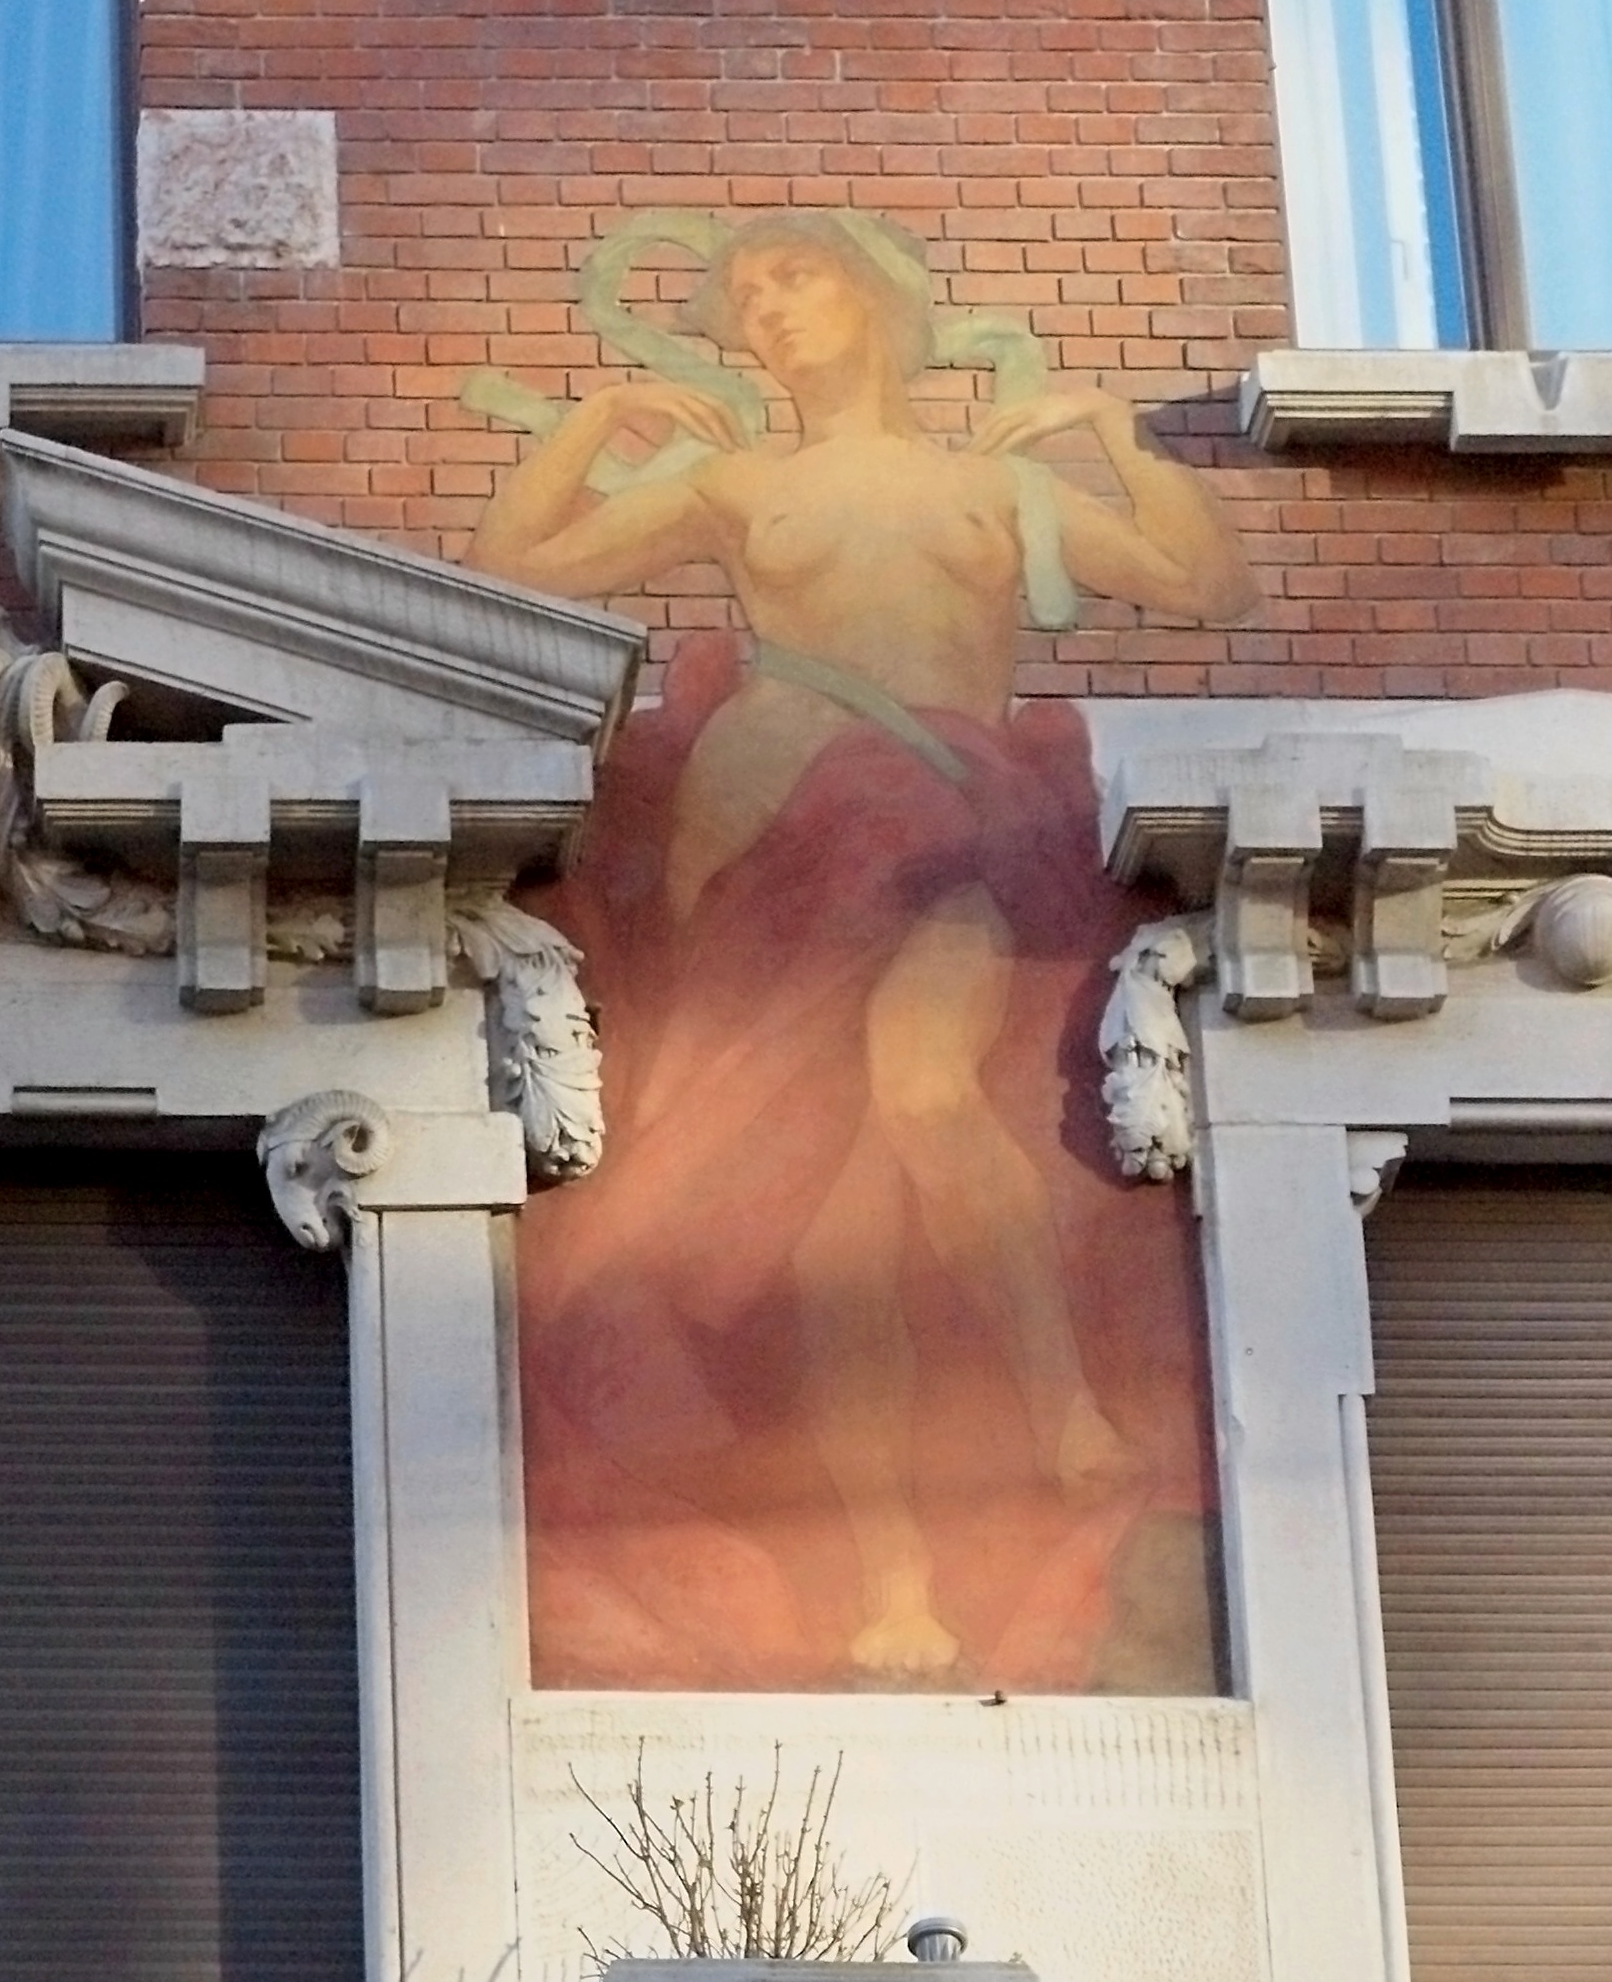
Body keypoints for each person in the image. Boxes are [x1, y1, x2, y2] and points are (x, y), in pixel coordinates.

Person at [471, 213, 1256, 1689]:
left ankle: (1062, 1408)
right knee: (842, 1246)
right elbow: (520, 559)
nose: (766, 312)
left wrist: (1112, 432)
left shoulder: (993, 486)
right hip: (785, 857)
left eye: (792, 276)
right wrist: (596, 417)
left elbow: (1199, 585)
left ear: (883, 294)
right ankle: (895, 1584)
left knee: (920, 1090)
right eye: (742, 297)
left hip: (950, 822)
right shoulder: (737, 482)